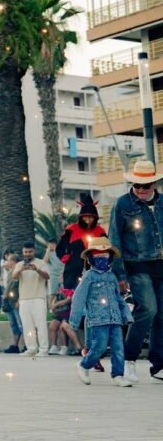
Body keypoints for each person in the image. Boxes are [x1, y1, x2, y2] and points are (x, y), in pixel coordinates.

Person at [109, 160, 163, 383]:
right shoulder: (122, 204)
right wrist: (120, 274)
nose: (141, 189)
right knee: (148, 308)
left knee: (162, 314)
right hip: (136, 265)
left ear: (153, 184)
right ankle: (128, 359)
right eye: (137, 185)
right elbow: (114, 239)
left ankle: (158, 365)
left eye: (145, 185)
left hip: (161, 264)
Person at [70, 237, 134, 386]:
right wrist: (74, 320)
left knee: (118, 348)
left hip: (115, 319)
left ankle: (118, 375)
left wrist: (126, 315)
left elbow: (118, 298)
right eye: (97, 256)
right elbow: (78, 298)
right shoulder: (88, 276)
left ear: (110, 257)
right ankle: (84, 365)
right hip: (98, 319)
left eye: (104, 256)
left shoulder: (112, 277)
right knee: (99, 347)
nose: (101, 259)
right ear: (90, 258)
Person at [57, 193, 105, 290]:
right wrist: (66, 257)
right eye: (86, 217)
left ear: (95, 218)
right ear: (81, 217)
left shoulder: (100, 231)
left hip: (95, 268)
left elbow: (106, 248)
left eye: (91, 217)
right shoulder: (71, 229)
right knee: (72, 293)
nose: (88, 220)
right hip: (73, 269)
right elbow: (61, 247)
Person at [12, 242, 50, 357]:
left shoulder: (41, 263)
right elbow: (14, 277)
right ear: (23, 252)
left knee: (41, 324)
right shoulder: (19, 264)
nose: (28, 254)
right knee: (27, 325)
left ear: (34, 251)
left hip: (39, 298)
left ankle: (43, 349)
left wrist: (37, 269)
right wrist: (20, 269)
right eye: (26, 252)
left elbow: (47, 276)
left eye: (30, 252)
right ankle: (31, 349)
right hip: (24, 299)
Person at [47, 285, 83, 356]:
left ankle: (65, 347)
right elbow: (53, 300)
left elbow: (68, 300)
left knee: (62, 327)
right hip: (60, 313)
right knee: (52, 326)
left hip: (68, 313)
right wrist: (53, 304)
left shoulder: (71, 289)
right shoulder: (60, 289)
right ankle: (54, 347)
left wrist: (56, 304)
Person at [1, 253, 22, 354]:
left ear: (14, 261)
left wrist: (19, 300)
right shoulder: (10, 273)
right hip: (8, 301)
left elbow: (22, 287)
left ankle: (29, 345)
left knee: (20, 323)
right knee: (13, 324)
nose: (7, 262)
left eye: (9, 260)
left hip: (15, 301)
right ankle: (15, 345)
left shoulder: (19, 272)